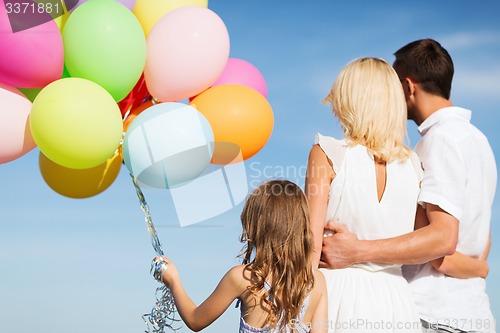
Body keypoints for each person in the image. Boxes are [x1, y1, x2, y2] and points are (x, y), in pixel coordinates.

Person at [320, 39, 496, 333]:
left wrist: (356, 251)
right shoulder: (479, 141)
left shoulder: (440, 141)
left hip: (436, 314)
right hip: (472, 312)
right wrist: (480, 268)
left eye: (393, 84)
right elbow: (481, 238)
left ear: (408, 86)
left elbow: (442, 240)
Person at [306, 57, 423, 332]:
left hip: (336, 296)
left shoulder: (327, 153)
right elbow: (418, 243)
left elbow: (309, 246)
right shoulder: (415, 165)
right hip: (398, 303)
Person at [153, 180, 328, 332]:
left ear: (257, 228)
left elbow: (195, 320)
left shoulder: (242, 277)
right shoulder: (316, 281)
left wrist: (173, 281)